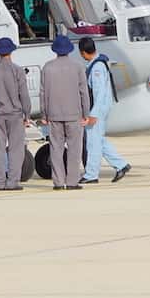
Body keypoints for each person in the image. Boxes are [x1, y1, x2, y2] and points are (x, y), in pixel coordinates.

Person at [39, 35, 94, 189]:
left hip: (54, 115)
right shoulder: (77, 67)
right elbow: (83, 92)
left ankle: (57, 182)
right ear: (69, 50)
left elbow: (43, 93)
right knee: (75, 150)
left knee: (55, 149)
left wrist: (44, 114)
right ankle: (72, 182)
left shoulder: (47, 67)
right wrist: (86, 113)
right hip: (74, 114)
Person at [0, 37, 32, 189]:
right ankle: (12, 182)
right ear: (11, 51)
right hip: (15, 115)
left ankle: (0, 181)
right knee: (16, 149)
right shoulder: (17, 70)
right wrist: (27, 114)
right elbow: (24, 95)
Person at [79, 36, 130, 184]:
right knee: (98, 140)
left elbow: (99, 92)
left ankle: (91, 175)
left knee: (93, 142)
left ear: (83, 52)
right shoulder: (97, 64)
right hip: (100, 108)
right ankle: (121, 165)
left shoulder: (97, 67)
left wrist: (93, 113)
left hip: (98, 109)